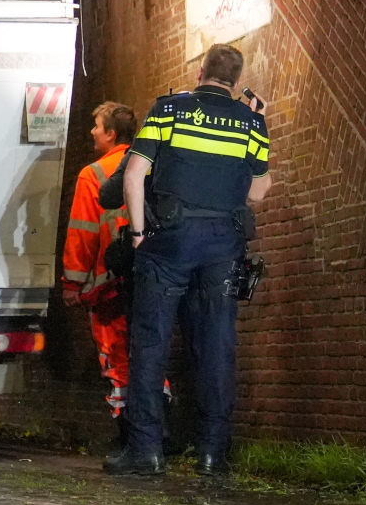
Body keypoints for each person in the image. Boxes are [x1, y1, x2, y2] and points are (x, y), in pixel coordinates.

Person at [106, 43, 272, 478]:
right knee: (217, 345)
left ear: (200, 72)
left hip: (169, 242)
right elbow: (257, 191)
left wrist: (139, 231)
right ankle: (212, 453)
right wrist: (258, 119)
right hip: (223, 247)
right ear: (236, 80)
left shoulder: (169, 110)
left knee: (151, 342)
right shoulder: (252, 122)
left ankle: (146, 451)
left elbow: (134, 173)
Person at [60, 102, 137, 427]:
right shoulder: (150, 163)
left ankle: (129, 430)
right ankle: (156, 424)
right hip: (150, 277)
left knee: (117, 354)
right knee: (146, 353)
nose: (92, 132)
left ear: (111, 133)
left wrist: (72, 283)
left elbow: (83, 232)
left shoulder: (94, 174)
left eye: (97, 126)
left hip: (110, 284)